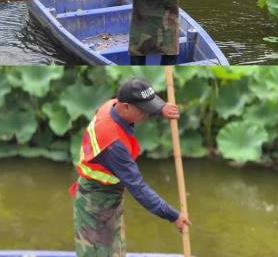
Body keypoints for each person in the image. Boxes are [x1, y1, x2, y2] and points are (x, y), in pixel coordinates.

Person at [70, 77, 191, 256]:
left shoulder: (111, 105)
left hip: (111, 195)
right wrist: (173, 215)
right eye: (144, 110)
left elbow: (144, 106)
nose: (147, 114)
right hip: (95, 204)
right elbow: (139, 189)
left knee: (117, 250)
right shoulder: (113, 145)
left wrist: (161, 108)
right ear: (125, 106)